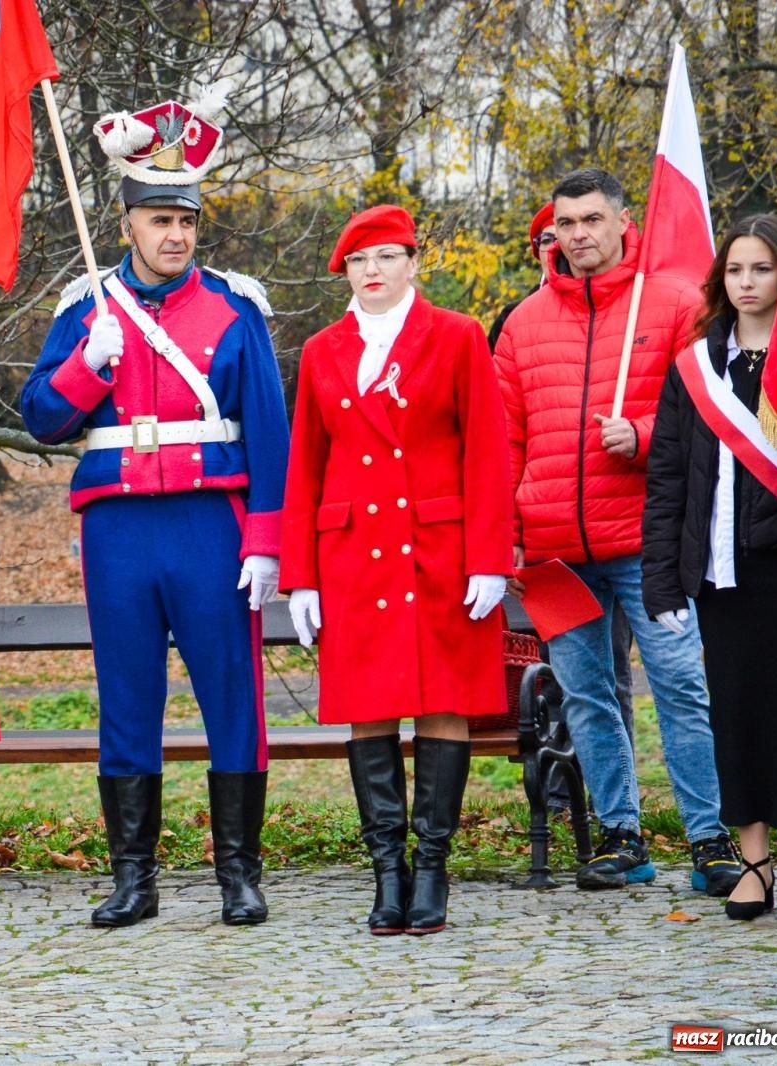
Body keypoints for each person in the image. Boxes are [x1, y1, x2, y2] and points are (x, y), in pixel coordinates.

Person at [21, 93, 290, 928]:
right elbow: (39, 418)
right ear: (127, 223)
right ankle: (133, 880)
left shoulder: (238, 309)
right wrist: (84, 368)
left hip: (212, 527)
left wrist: (267, 541)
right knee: (126, 696)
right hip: (120, 530)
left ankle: (238, 877)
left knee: (232, 695)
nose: (174, 235)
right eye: (158, 219)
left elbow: (272, 436)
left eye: (186, 220)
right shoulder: (84, 310)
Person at [493, 167, 737, 893]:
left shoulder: (670, 306)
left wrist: (642, 431)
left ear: (623, 222)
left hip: (646, 541)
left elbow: (708, 415)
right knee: (588, 697)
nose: (578, 235)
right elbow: (504, 441)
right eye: (565, 225)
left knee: (680, 685)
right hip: (554, 554)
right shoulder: (524, 323)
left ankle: (711, 838)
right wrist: (508, 529)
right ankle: (621, 835)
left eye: (591, 220)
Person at [279, 206, 512, 935]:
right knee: (369, 708)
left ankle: (433, 867)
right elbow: (305, 466)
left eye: (386, 257)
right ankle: (388, 871)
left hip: (440, 551)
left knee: (444, 703)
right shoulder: (322, 349)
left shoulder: (456, 336)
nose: (373, 272)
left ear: (414, 263)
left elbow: (487, 450)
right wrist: (302, 577)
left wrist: (490, 558)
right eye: (359, 261)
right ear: (345, 273)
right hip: (353, 557)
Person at [642, 214, 777, 920]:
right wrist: (662, 576)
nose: (747, 282)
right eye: (735, 270)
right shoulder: (696, 366)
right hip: (720, 570)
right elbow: (667, 479)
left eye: (762, 269)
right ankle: (751, 856)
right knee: (735, 715)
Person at [489, 204, 638, 806]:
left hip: (620, 530)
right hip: (549, 537)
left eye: (575, 229)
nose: (566, 242)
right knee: (564, 680)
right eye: (550, 236)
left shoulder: (627, 315)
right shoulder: (514, 322)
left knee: (613, 676)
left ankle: (618, 807)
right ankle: (564, 798)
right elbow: (504, 433)